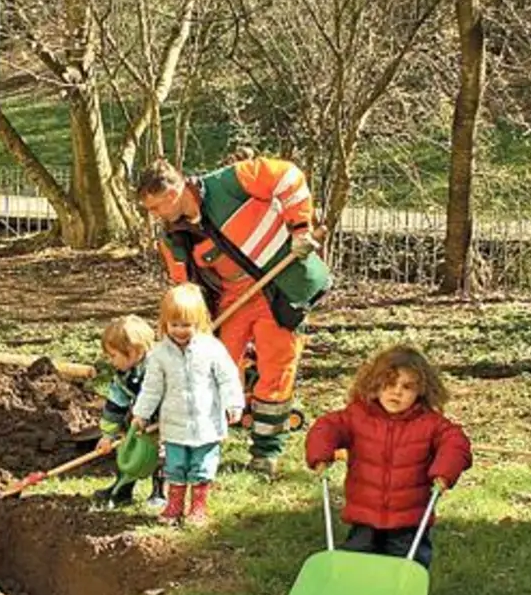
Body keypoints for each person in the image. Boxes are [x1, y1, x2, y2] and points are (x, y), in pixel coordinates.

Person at [136, 155, 331, 478]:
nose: (154, 216)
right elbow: (183, 285)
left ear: (173, 193)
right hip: (232, 299)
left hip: (279, 287)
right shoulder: (173, 238)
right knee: (211, 366)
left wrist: (299, 227)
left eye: (155, 207)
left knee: (276, 368)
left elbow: (288, 177)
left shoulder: (230, 183)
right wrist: (188, 324)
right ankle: (199, 443)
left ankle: (265, 455)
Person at [303, 344, 472, 569]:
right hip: (365, 515)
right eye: (390, 383)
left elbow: (456, 443)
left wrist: (444, 472)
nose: (397, 392)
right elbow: (326, 427)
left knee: (407, 566)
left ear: (421, 391)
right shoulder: (357, 416)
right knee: (355, 563)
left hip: (409, 519)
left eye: (407, 387)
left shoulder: (430, 424)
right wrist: (320, 454)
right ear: (375, 385)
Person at [130, 283, 247, 527]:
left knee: (202, 467)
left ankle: (198, 508)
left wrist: (234, 402)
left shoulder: (211, 349)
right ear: (164, 323)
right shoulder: (159, 355)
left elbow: (227, 377)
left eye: (186, 325)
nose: (180, 331)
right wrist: (141, 414)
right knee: (176, 466)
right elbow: (152, 388)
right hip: (175, 425)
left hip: (207, 424)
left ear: (199, 321)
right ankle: (174, 505)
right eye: (174, 325)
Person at [90, 314, 168, 510]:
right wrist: (108, 434)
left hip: (166, 420)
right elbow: (116, 404)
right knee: (127, 449)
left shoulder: (159, 366)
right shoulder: (123, 376)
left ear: (133, 352)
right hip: (138, 420)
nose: (110, 361)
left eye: (113, 356)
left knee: (161, 455)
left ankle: (160, 491)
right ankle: (123, 489)